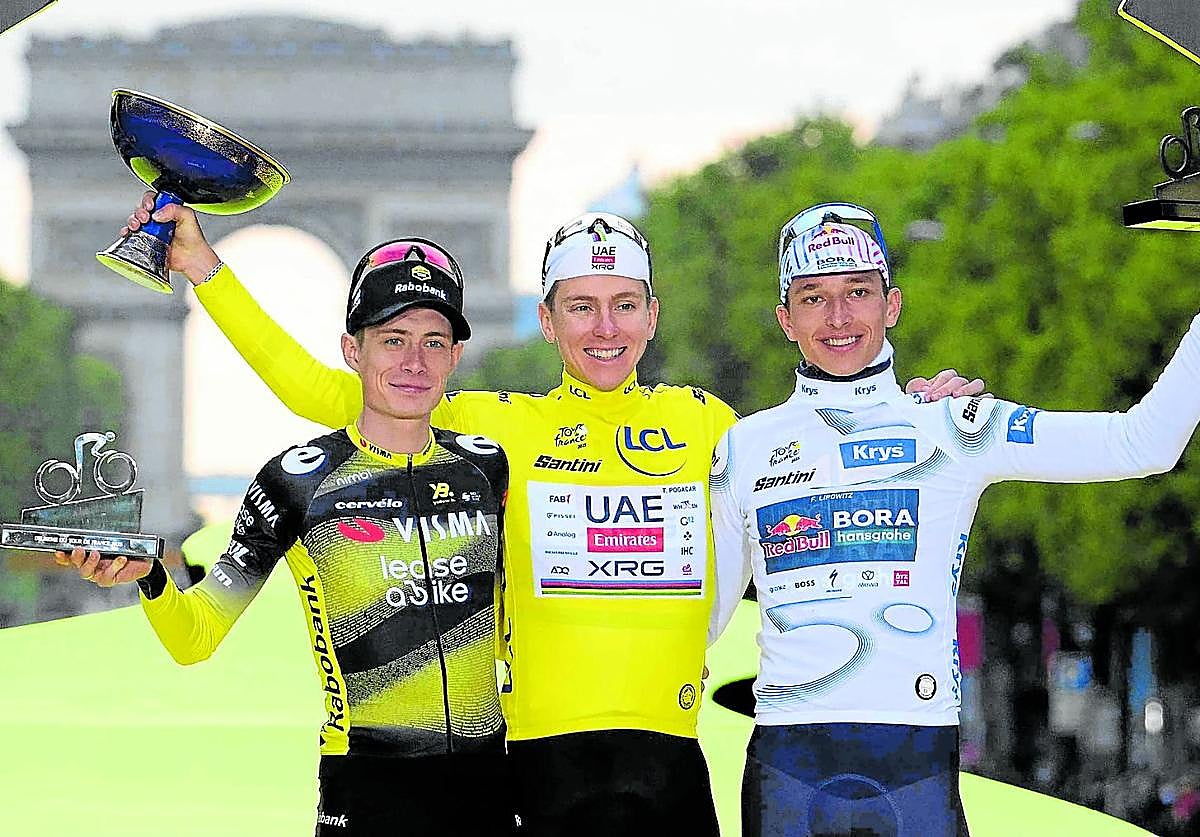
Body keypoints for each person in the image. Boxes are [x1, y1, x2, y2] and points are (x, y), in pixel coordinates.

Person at [119, 193, 981, 835]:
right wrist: (206, 269)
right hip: (536, 771)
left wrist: (916, 407)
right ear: (547, 319)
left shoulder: (710, 421)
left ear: (652, 316)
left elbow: (828, 451)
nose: (604, 327)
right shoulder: (499, 430)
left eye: (625, 304)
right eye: (581, 306)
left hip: (673, 767)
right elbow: (323, 390)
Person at [707, 201, 1200, 837]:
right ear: (785, 318)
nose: (838, 317)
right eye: (813, 297)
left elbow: (1144, 445)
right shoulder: (742, 447)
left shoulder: (954, 425)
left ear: (893, 305)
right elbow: (700, 619)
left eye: (858, 292)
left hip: (918, 764)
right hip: (788, 764)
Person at [58, 237, 512, 836]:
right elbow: (195, 638)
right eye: (392, 340)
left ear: (456, 356)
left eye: (433, 342)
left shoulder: (490, 466)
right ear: (352, 350)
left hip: (490, 787)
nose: (414, 362)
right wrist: (151, 577)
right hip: (365, 785)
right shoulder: (295, 481)